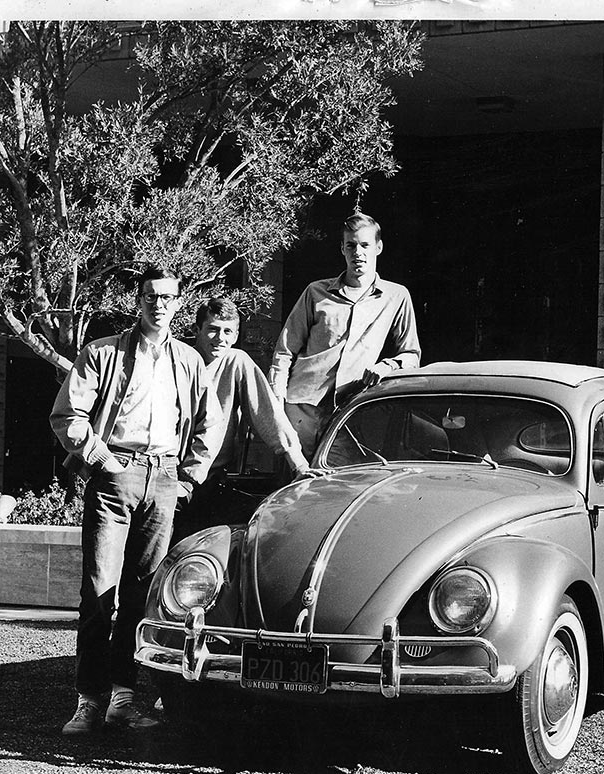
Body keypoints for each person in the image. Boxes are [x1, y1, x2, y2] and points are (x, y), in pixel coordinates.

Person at [50, 268, 221, 736]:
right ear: (138, 299)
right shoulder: (103, 353)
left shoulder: (188, 360)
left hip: (163, 479)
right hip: (115, 478)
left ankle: (122, 700)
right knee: (100, 591)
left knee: (143, 598)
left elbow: (209, 424)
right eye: (150, 296)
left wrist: (186, 479)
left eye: (167, 297)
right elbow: (68, 413)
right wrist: (99, 455)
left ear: (179, 302)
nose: (158, 304)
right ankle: (88, 702)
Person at [269, 212, 421, 459]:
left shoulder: (396, 296)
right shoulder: (315, 292)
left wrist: (387, 365)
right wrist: (276, 399)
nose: (357, 252)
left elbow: (411, 354)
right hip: (301, 408)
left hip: (350, 409)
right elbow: (285, 349)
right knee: (295, 485)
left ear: (378, 247)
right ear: (342, 248)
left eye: (364, 245)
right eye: (350, 245)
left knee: (337, 481)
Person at [173, 297, 313, 539]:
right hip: (166, 476)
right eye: (213, 330)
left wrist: (299, 465)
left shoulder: (236, 362)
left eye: (228, 332)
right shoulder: (178, 360)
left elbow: (268, 413)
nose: (220, 338)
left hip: (207, 480)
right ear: (197, 330)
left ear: (236, 336)